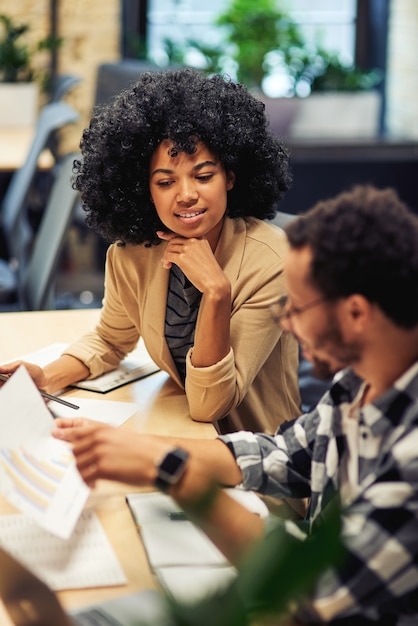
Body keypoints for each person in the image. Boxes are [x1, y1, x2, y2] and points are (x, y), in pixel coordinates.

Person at [52, 185, 418, 624]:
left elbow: (307, 584)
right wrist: (140, 450)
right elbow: (284, 455)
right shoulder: (359, 383)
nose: (287, 323)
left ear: (356, 314)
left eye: (297, 308)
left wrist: (174, 473)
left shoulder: (410, 456)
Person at [0, 68, 301, 434]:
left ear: (231, 177)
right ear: (144, 188)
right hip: (178, 432)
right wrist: (45, 377)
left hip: (257, 464)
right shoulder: (134, 254)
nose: (187, 193)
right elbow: (111, 339)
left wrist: (217, 292)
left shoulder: (270, 260)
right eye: (165, 181)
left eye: (203, 176)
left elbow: (211, 405)